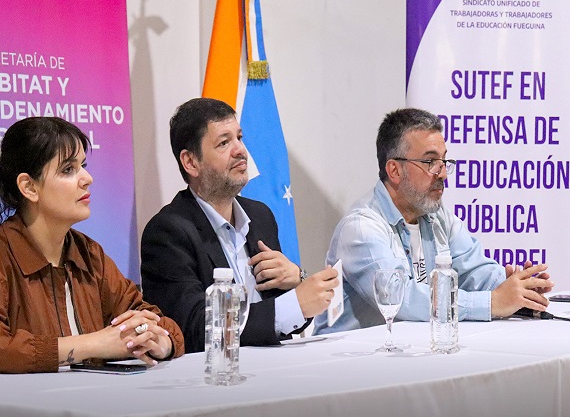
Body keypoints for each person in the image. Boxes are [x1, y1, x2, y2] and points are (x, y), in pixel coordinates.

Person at [314, 108, 553, 334]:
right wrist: (491, 302)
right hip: (351, 363)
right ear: (395, 170)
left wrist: (516, 287)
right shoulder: (361, 227)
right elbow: (400, 299)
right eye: (430, 162)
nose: (442, 173)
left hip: (414, 355)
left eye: (444, 161)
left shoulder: (437, 216)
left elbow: (474, 269)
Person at [140, 97, 338, 353]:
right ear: (191, 162)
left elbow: (285, 322)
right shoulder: (168, 232)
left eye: (239, 138)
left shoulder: (260, 216)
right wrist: (295, 305)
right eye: (224, 143)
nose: (240, 150)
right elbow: (195, 328)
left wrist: (297, 281)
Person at [0, 117, 184, 374]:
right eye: (68, 169)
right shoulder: (4, 253)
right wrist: (94, 344)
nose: (87, 178)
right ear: (29, 187)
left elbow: (154, 320)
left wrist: (157, 341)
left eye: (83, 165)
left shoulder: (89, 253)